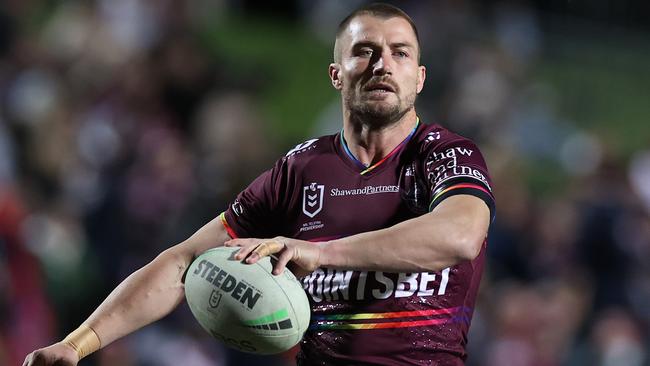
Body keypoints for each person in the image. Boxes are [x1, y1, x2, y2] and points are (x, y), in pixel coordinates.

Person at [24, 3, 494, 365]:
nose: (382, 64)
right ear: (336, 74)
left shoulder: (444, 153)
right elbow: (184, 261)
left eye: (400, 53)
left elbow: (460, 235)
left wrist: (321, 252)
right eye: (364, 51)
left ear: (419, 78)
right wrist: (77, 343)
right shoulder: (301, 170)